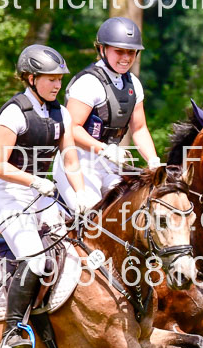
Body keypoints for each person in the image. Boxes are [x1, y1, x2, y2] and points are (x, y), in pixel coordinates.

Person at [0, 44, 91, 348]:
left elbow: (70, 158)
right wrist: (34, 180)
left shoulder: (60, 113)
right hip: (9, 195)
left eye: (60, 79)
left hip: (41, 196)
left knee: (78, 247)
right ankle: (11, 332)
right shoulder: (14, 113)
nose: (57, 85)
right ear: (30, 78)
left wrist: (81, 192)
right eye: (51, 79)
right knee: (34, 260)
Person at [54, 16, 162, 209]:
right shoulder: (89, 83)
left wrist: (153, 161)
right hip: (78, 164)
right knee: (92, 218)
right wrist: (103, 149)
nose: (126, 58)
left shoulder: (133, 84)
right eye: (119, 51)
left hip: (110, 165)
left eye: (131, 52)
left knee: (134, 212)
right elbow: (71, 128)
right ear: (102, 49)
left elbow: (138, 128)